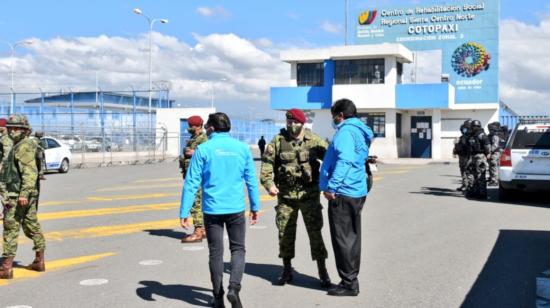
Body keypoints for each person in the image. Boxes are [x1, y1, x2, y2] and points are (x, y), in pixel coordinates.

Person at [180, 112, 260, 308]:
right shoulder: (242, 149)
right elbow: (251, 180)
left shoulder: (203, 149)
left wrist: (184, 211)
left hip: (212, 209)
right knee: (238, 249)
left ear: (212, 128)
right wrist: (255, 206)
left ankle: (218, 297)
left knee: (215, 253)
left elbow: (191, 182)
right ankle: (234, 288)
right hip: (236, 209)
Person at [260, 108, 331, 288]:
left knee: (315, 232)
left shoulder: (314, 140)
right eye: (288, 122)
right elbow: (267, 165)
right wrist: (269, 185)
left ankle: (322, 271)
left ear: (302, 123)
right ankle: (286, 269)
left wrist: (330, 183)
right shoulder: (277, 141)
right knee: (285, 234)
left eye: (294, 122)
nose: (291, 125)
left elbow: (331, 160)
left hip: (309, 195)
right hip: (285, 197)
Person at [320, 99, 373, 297]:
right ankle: (351, 279)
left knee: (342, 238)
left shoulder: (345, 132)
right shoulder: (360, 131)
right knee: (351, 237)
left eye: (334, 115)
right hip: (356, 189)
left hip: (343, 191)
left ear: (340, 115)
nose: (333, 120)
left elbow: (344, 160)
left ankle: (349, 282)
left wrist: (331, 187)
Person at [0, 114, 46, 279]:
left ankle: (6, 267)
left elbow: (30, 173)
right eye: (11, 128)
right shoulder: (18, 144)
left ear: (25, 130)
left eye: (16, 128)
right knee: (31, 226)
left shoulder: (24, 146)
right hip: (22, 194)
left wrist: (23, 194)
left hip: (18, 195)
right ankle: (39, 261)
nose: (12, 131)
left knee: (10, 229)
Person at [178, 116, 209, 243]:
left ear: (196, 126)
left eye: (190, 125)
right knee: (198, 202)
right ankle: (203, 229)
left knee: (196, 203)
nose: (188, 128)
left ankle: (198, 231)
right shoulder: (194, 138)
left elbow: (207, 154)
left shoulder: (203, 138)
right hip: (192, 175)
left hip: (199, 177)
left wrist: (194, 152)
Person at [465, 120, 490, 199]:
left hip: (480, 156)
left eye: (474, 126)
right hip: (472, 156)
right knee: (472, 174)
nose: (473, 128)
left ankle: (482, 194)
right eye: (472, 126)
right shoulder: (472, 135)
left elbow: (487, 145)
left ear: (478, 126)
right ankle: (474, 191)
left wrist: (488, 153)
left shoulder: (481, 135)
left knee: (480, 175)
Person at [453, 120, 472, 191]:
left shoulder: (469, 137)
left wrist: (456, 145)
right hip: (463, 156)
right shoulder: (463, 137)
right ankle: (465, 185)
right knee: (464, 170)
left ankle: (469, 186)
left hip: (467, 156)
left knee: (467, 171)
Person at [0, 118, 13, 220]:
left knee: (3, 190)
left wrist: (1, 167)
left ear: (4, 127)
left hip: (5, 170)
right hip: (5, 169)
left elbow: (6, 156)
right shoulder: (3, 138)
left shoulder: (6, 139)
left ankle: (7, 211)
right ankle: (5, 211)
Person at [487, 121, 502, 186]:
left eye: (490, 129)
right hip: (493, 153)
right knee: (491, 166)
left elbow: (495, 145)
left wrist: (489, 152)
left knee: (494, 166)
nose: (489, 130)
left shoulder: (495, 136)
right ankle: (492, 178)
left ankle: (495, 181)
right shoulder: (491, 135)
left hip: (495, 153)